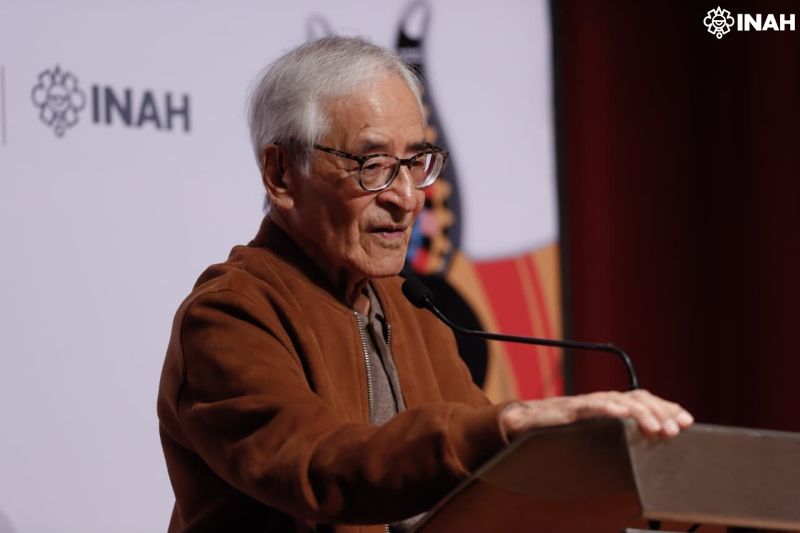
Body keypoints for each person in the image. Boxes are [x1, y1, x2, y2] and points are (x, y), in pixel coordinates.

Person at [157, 36, 693, 533]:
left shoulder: (410, 307)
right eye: (372, 164)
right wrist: (514, 421)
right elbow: (324, 466)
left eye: (416, 162)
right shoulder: (229, 316)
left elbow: (487, 485)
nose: (408, 197)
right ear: (280, 175)